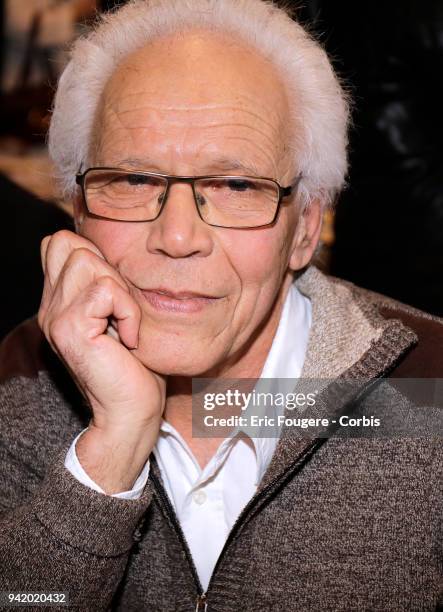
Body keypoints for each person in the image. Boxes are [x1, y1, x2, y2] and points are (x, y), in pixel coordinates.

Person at [0, 1, 442, 610]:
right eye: (132, 180)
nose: (177, 238)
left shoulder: (431, 389)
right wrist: (110, 453)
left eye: (236, 186)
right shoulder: (17, 380)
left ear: (306, 227)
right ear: (78, 210)